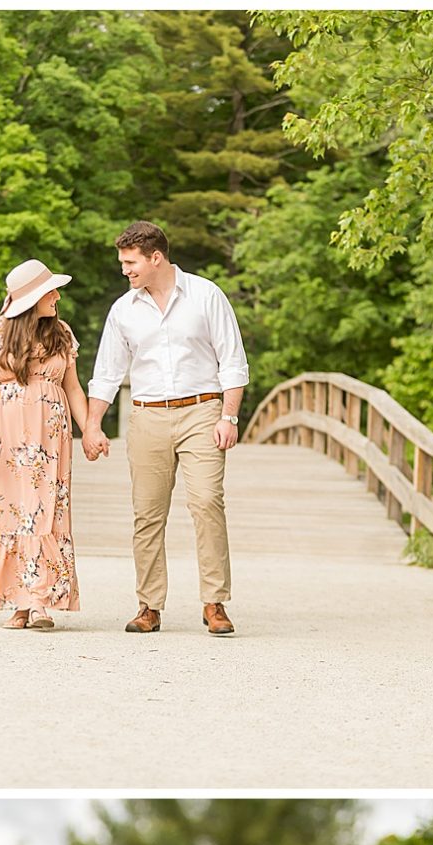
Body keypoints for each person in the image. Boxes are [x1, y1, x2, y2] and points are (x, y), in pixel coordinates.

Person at [85, 221, 249, 637]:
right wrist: (92, 425)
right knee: (147, 514)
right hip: (147, 417)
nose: (124, 270)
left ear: (155, 257)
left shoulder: (206, 295)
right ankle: (149, 606)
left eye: (130, 262)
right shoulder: (124, 310)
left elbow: (232, 361)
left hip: (202, 412)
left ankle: (215, 602)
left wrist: (228, 416)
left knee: (207, 502)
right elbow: (106, 374)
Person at [0, 258, 104, 631]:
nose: (57, 297)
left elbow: (72, 388)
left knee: (43, 512)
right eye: (51, 291)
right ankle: (16, 602)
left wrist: (90, 430)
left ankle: (38, 601)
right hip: (1, 441)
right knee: (6, 513)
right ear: (32, 297)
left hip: (48, 442)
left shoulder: (61, 334)